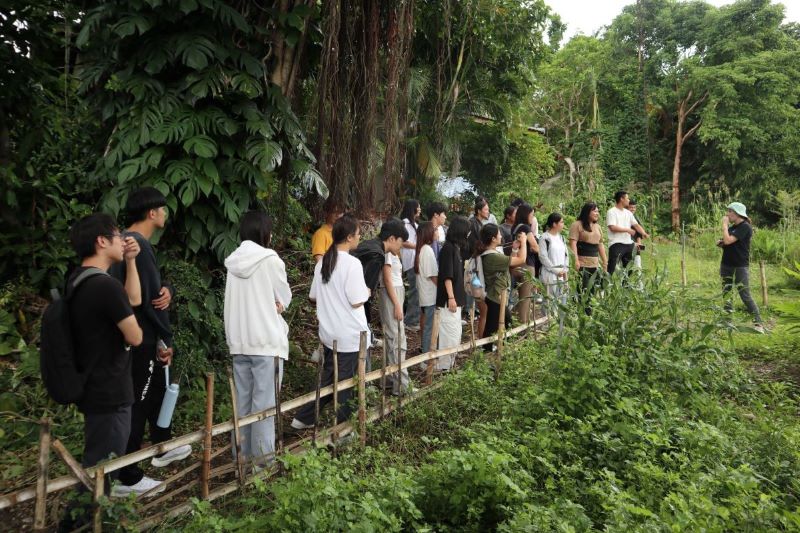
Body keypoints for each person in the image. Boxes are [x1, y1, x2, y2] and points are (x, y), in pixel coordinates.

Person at [58, 214, 143, 531]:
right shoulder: (105, 287)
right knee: (102, 467)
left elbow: (132, 299)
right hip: (109, 390)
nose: (124, 240)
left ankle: (82, 522)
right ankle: (75, 525)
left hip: (94, 386)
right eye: (118, 236)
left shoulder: (80, 279)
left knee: (100, 462)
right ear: (101, 241)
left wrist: (131, 262)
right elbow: (135, 336)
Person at [110, 188, 189, 497]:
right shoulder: (138, 245)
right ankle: (126, 477)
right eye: (164, 209)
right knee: (138, 403)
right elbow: (147, 302)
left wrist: (166, 287)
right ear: (152, 213)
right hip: (141, 337)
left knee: (154, 391)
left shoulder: (128, 244)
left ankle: (161, 445)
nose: (166, 215)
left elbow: (154, 290)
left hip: (139, 334)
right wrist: (164, 339)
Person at [289, 215, 371, 432]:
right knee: (345, 384)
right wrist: (367, 292)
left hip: (329, 333)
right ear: (350, 237)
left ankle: (304, 418)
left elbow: (314, 296)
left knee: (328, 377)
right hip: (350, 334)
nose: (360, 237)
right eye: (358, 234)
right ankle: (343, 430)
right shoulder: (352, 264)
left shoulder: (324, 261)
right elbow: (356, 301)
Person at [224, 211, 292, 469]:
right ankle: (262, 467)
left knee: (242, 405)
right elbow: (283, 297)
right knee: (263, 408)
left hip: (239, 341)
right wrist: (276, 303)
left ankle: (240, 461)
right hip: (266, 342)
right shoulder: (270, 259)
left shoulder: (233, 262)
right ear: (265, 233)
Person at [476, 224, 527, 352]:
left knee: (496, 326)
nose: (501, 236)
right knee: (501, 326)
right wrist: (524, 242)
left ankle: (494, 353)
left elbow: (511, 263)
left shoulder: (492, 253)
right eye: (499, 234)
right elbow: (521, 259)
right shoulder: (492, 257)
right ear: (493, 238)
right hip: (495, 297)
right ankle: (491, 354)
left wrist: (515, 248)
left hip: (495, 296)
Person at [376, 218, 411, 394]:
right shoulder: (387, 252)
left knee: (396, 335)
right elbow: (387, 279)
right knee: (395, 338)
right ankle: (401, 385)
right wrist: (397, 304)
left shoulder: (392, 252)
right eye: (400, 241)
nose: (402, 245)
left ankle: (390, 379)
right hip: (391, 294)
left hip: (396, 293)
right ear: (392, 238)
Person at [718, 202, 764, 333]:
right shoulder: (733, 227)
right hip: (726, 264)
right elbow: (727, 242)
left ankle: (758, 323)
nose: (727, 214)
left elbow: (728, 240)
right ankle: (727, 322)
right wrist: (721, 243)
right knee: (726, 293)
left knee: (745, 294)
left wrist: (724, 226)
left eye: (730, 212)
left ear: (737, 213)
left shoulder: (745, 227)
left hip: (739, 266)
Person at [434, 216, 469, 371]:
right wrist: (451, 297)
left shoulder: (455, 248)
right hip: (449, 300)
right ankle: (444, 367)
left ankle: (449, 364)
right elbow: (447, 276)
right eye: (467, 231)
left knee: (455, 333)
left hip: (456, 299)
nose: (468, 234)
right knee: (449, 334)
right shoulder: (448, 248)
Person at [569, 202, 607, 315]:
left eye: (598, 211)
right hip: (582, 262)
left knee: (593, 289)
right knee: (582, 288)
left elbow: (600, 244)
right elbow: (573, 243)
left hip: (595, 264)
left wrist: (605, 261)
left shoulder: (598, 227)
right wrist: (575, 260)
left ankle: (588, 312)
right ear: (587, 212)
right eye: (594, 211)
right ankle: (580, 311)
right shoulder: (577, 225)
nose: (597, 213)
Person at [511, 203, 541, 325]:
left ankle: (512, 323)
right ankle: (523, 329)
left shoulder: (515, 227)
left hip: (515, 264)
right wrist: (536, 247)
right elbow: (535, 246)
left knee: (515, 298)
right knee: (525, 299)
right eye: (532, 214)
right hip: (526, 265)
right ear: (526, 214)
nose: (532, 217)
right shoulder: (526, 228)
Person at [606, 190, 649, 276]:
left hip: (628, 244)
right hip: (616, 244)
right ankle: (605, 287)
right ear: (621, 199)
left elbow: (636, 225)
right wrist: (627, 230)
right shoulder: (611, 212)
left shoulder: (628, 213)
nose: (629, 200)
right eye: (627, 198)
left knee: (628, 269)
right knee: (611, 268)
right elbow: (612, 227)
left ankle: (626, 287)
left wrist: (644, 233)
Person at [415, 222, 438, 355]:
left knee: (428, 325)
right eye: (434, 230)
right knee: (429, 327)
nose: (437, 232)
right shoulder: (427, 250)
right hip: (429, 295)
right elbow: (433, 276)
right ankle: (425, 355)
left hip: (425, 295)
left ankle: (425, 352)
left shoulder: (422, 249)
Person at [539, 213, 570, 310]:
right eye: (561, 222)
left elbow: (566, 256)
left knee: (561, 303)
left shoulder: (562, 238)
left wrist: (565, 270)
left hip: (561, 276)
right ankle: (548, 324)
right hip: (549, 275)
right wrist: (556, 271)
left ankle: (559, 324)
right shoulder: (545, 237)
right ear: (554, 224)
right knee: (549, 303)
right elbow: (543, 257)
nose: (563, 224)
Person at [400, 199, 422, 331]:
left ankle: (413, 319)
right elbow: (403, 242)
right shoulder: (405, 223)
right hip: (411, 261)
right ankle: (410, 321)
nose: (420, 209)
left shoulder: (414, 224)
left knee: (417, 290)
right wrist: (418, 245)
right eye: (418, 207)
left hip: (416, 260)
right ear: (412, 208)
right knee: (415, 291)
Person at [627, 199, 645, 272]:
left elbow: (639, 234)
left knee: (638, 264)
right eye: (631, 207)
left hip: (635, 244)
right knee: (627, 265)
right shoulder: (623, 218)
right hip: (625, 244)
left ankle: (639, 282)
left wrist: (639, 244)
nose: (633, 209)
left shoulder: (636, 219)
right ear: (627, 208)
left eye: (634, 207)